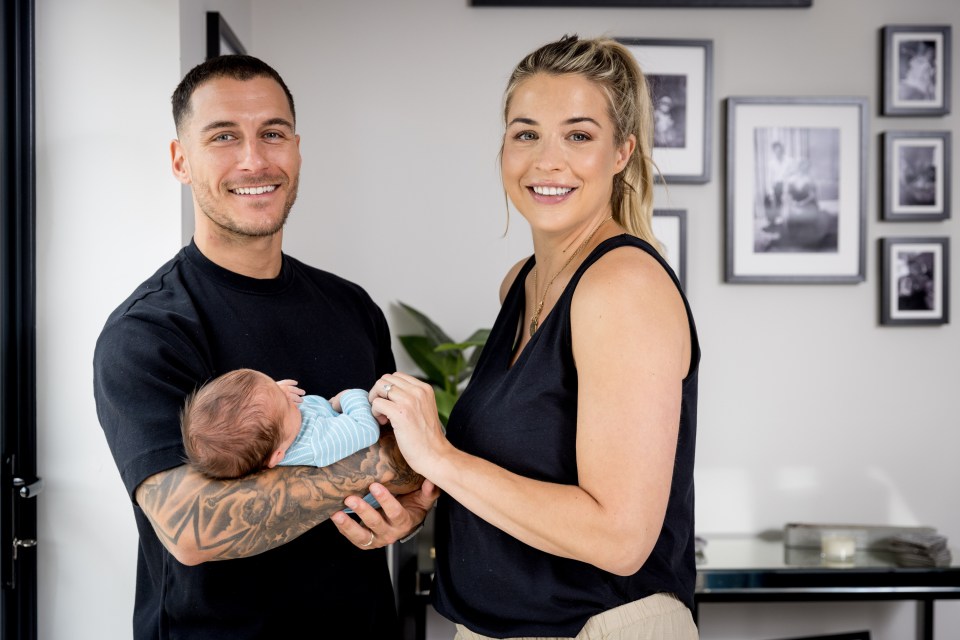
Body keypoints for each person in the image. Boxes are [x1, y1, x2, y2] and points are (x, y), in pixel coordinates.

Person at [364, 35, 701, 639]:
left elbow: (619, 538)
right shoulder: (520, 284)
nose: (548, 161)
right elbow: (523, 473)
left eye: (578, 135)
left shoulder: (621, 285)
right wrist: (427, 495)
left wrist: (438, 455)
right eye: (526, 134)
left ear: (622, 152)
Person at [93, 55, 435, 640]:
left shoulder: (352, 307)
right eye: (224, 136)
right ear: (181, 160)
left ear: (297, 150)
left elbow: (409, 484)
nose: (254, 159)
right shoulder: (146, 332)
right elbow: (193, 528)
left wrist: (404, 516)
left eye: (272, 133)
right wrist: (389, 462)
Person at [181, 368, 380, 480]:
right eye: (284, 400)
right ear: (277, 456)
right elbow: (366, 429)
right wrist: (349, 396)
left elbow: (266, 410)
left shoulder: (282, 431)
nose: (285, 392)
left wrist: (272, 393)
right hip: (378, 495)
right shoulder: (315, 443)